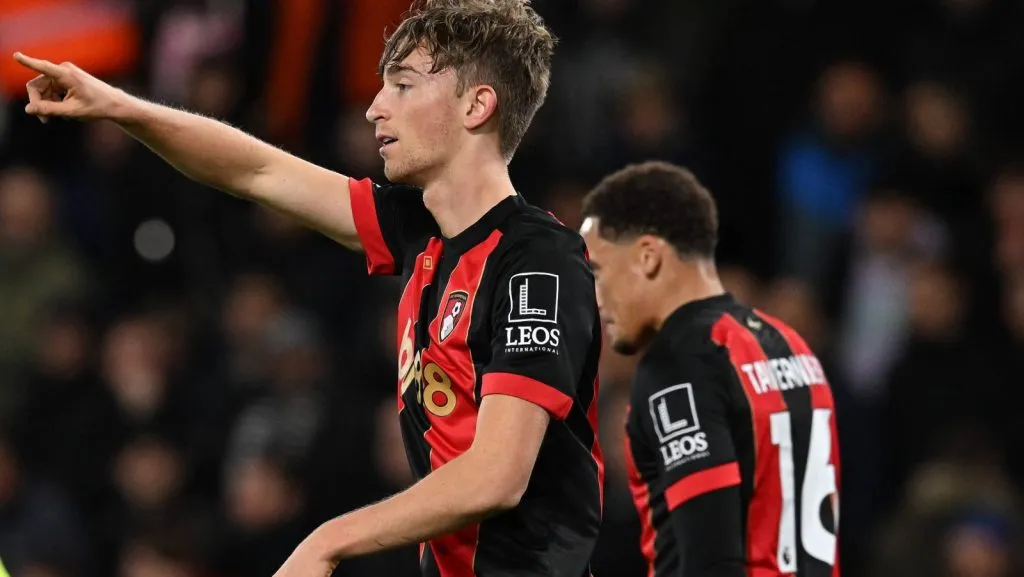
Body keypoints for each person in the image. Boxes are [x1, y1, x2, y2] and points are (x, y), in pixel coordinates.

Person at [13, 1, 604, 576]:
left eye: (402, 86)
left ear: (477, 105)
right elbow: (256, 170)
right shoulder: (421, 232)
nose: (374, 109)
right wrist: (120, 107)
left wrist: (329, 539)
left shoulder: (537, 263)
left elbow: (497, 476)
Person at [579, 161, 840, 577]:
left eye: (598, 272)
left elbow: (710, 562)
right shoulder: (792, 348)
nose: (595, 297)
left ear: (647, 257)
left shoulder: (678, 365)